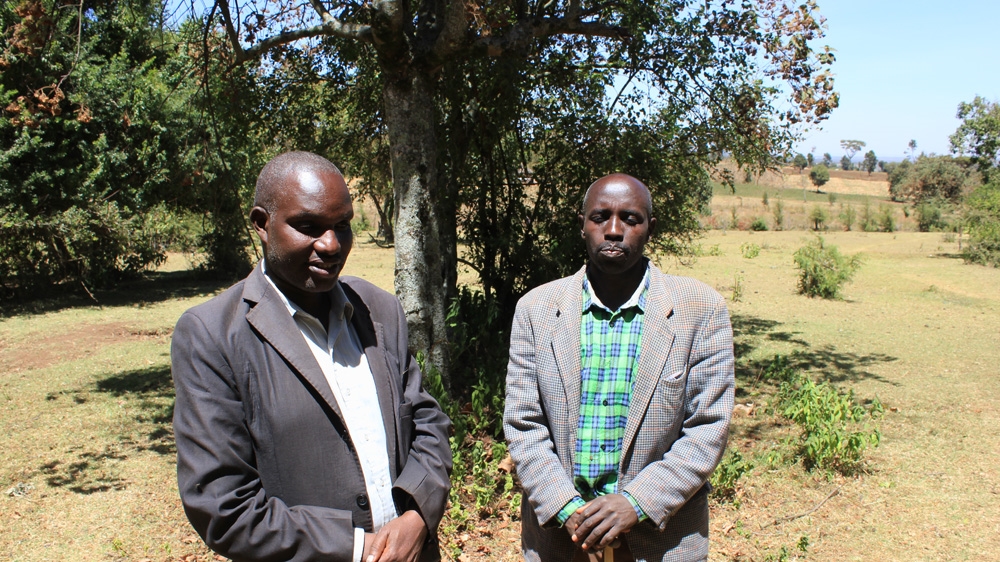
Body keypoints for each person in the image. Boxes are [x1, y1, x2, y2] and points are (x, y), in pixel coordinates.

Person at [171, 151, 452, 562]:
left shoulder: (379, 311)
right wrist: (358, 548)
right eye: (309, 226)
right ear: (262, 225)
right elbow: (222, 504)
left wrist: (416, 517)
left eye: (342, 226)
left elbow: (428, 423)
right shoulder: (211, 335)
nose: (332, 244)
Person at [503, 174, 734, 562]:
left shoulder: (701, 310)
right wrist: (567, 509)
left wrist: (636, 503)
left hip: (661, 542)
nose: (613, 230)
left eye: (630, 218)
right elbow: (524, 423)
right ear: (582, 225)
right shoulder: (536, 310)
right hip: (561, 543)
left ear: (650, 229)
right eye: (600, 217)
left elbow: (708, 427)